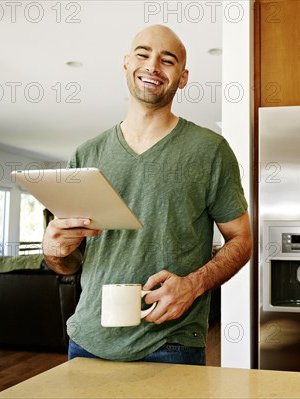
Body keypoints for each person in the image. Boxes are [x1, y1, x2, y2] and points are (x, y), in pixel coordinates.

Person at [42, 24, 251, 365]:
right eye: (143, 54)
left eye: (167, 60)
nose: (153, 66)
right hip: (87, 341)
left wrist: (193, 285)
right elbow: (69, 263)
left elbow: (241, 240)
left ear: (182, 78)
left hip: (172, 344)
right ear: (126, 64)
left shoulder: (211, 150)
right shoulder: (86, 154)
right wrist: (54, 251)